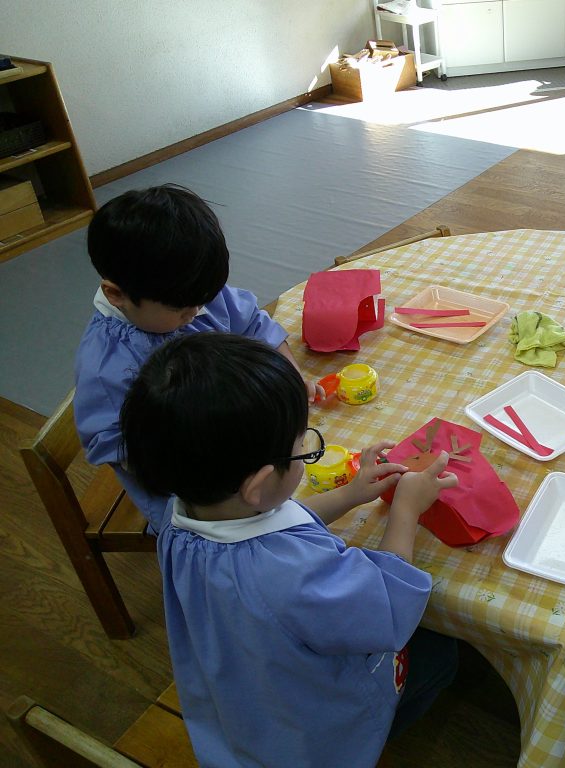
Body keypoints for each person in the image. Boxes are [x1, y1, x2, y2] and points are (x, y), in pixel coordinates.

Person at [119, 332, 459, 768]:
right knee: (442, 655)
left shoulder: (180, 513)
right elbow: (388, 607)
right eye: (302, 446)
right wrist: (406, 510)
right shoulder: (289, 573)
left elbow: (282, 518)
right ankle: (368, 744)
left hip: (240, 703)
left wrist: (351, 494)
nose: (304, 450)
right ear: (259, 484)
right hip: (312, 737)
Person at [73, 184, 322, 529]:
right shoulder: (108, 367)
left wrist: (291, 380)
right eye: (182, 309)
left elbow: (254, 325)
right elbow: (121, 449)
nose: (196, 313)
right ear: (116, 294)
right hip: (195, 498)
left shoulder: (187, 291)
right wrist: (221, 458)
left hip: (243, 453)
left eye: (202, 300)